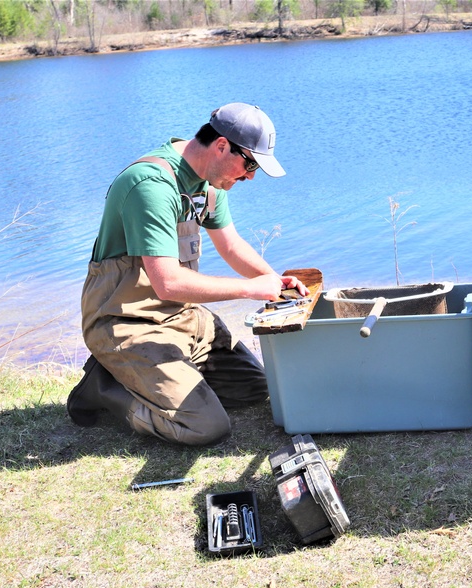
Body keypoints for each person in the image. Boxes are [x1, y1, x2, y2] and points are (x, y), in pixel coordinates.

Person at [67, 102, 308, 446]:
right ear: (222, 145)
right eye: (249, 164)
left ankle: (161, 378)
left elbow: (231, 246)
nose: (250, 176)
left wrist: (275, 282)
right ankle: (104, 389)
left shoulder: (210, 182)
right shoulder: (150, 185)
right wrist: (250, 289)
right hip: (125, 322)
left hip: (180, 318)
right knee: (206, 427)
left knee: (257, 391)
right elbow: (169, 283)